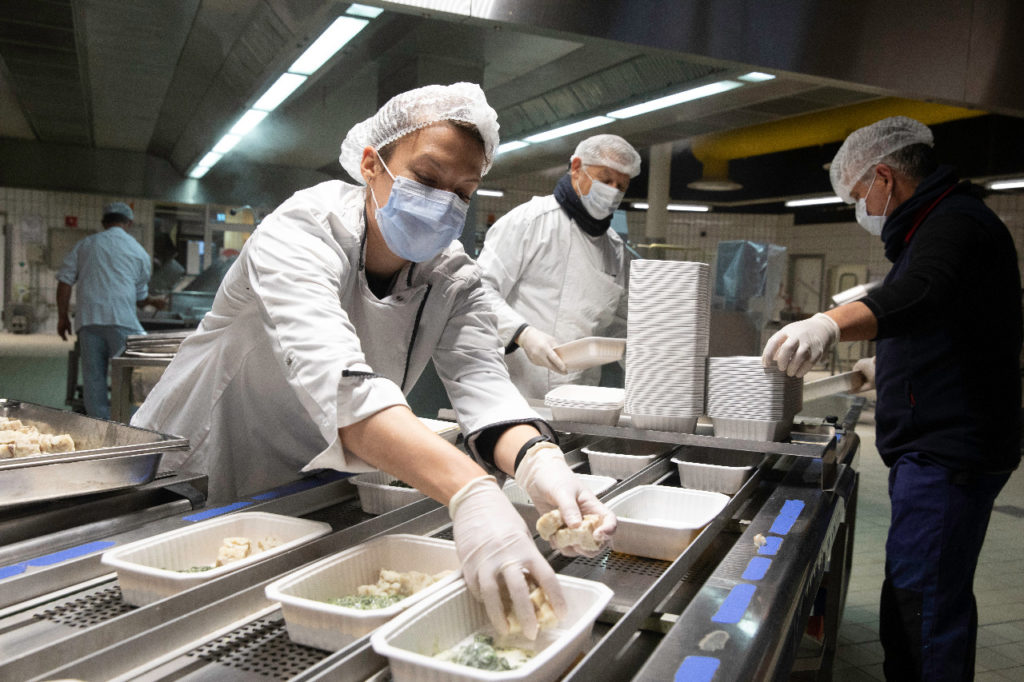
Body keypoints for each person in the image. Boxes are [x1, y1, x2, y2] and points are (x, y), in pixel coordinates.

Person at [132, 83, 616, 639]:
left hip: (309, 483)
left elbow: (483, 381)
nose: (444, 203)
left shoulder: (454, 276)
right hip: (203, 469)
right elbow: (343, 387)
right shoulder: (302, 229)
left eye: (464, 191)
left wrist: (539, 463)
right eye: (428, 178)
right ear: (371, 163)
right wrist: (471, 490)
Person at [762, 116, 1021, 681]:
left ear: (884, 176)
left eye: (859, 196)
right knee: (926, 592)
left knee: (921, 603)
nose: (863, 209)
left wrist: (828, 323)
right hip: (942, 445)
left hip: (948, 453)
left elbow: (920, 293)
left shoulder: (954, 222)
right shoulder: (941, 222)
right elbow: (954, 322)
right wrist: (891, 365)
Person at [476, 134, 640, 399]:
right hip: (512, 393)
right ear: (576, 167)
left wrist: (650, 370)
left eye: (621, 186)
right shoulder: (531, 221)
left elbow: (621, 323)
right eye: (605, 179)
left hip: (581, 401)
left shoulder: (616, 250)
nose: (613, 191)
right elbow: (479, 289)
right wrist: (522, 334)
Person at [57, 202, 155, 419]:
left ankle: (99, 424)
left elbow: (64, 281)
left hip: (88, 320)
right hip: (123, 321)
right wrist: (155, 302)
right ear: (128, 223)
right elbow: (141, 298)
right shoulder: (138, 251)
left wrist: (62, 317)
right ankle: (131, 424)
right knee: (131, 375)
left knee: (93, 377)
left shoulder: (86, 245)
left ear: (104, 222)